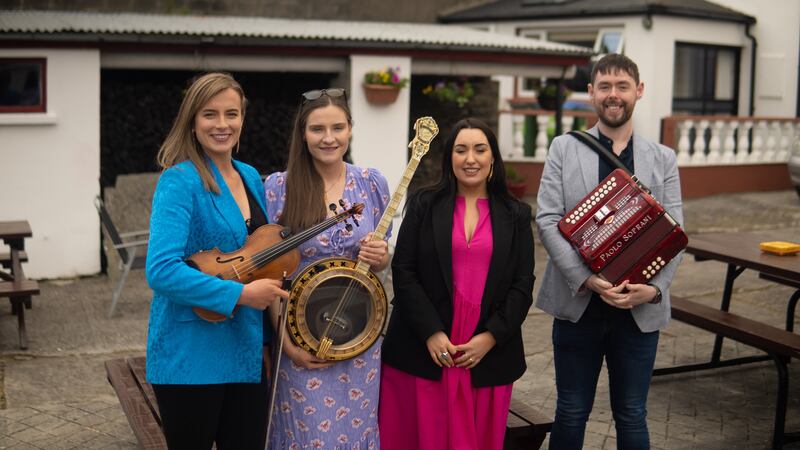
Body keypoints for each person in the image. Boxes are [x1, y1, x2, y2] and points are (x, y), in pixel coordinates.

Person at [535, 53, 684, 449]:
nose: (613, 95)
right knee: (570, 410)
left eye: (621, 86)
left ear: (638, 91)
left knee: (632, 413)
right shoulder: (563, 149)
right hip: (577, 303)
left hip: (638, 310)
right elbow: (547, 219)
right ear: (590, 94)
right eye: (604, 87)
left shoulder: (663, 158)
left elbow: (675, 232)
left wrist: (653, 290)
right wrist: (587, 279)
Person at [145, 72, 289, 450]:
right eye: (210, 114)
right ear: (192, 122)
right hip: (190, 353)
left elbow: (259, 254)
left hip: (246, 349)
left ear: (243, 119)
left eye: (231, 114)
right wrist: (240, 296)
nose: (222, 124)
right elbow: (160, 271)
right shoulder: (179, 181)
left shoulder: (250, 176)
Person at [379, 118, 535, 450]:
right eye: (461, 150)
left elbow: (523, 285)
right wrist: (432, 333)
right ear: (449, 157)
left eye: (480, 150)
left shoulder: (516, 214)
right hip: (425, 349)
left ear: (493, 157)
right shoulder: (424, 204)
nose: (470, 159)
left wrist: (490, 338)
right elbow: (404, 270)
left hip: (484, 354)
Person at [263, 87, 391, 449]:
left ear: (350, 128)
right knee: (306, 437)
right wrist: (287, 345)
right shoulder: (278, 188)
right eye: (317, 129)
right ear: (302, 134)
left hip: (360, 340)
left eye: (338, 127)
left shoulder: (371, 183)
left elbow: (380, 262)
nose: (329, 138)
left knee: (356, 435)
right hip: (301, 340)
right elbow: (269, 273)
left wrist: (381, 256)